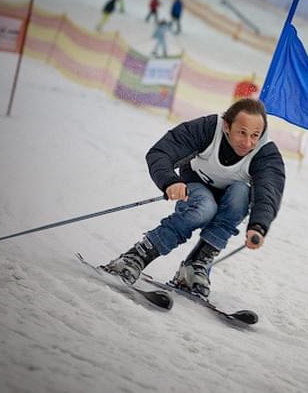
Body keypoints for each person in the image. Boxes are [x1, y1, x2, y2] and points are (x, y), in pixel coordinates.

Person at [104, 98, 286, 298]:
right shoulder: (209, 128)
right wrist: (170, 181)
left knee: (242, 193)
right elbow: (161, 152)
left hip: (231, 199)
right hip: (195, 185)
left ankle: (194, 268)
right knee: (204, 208)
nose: (248, 142)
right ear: (227, 125)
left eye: (255, 135)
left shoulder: (265, 153)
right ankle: (135, 257)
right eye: (242, 132)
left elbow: (269, 192)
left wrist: (259, 226)